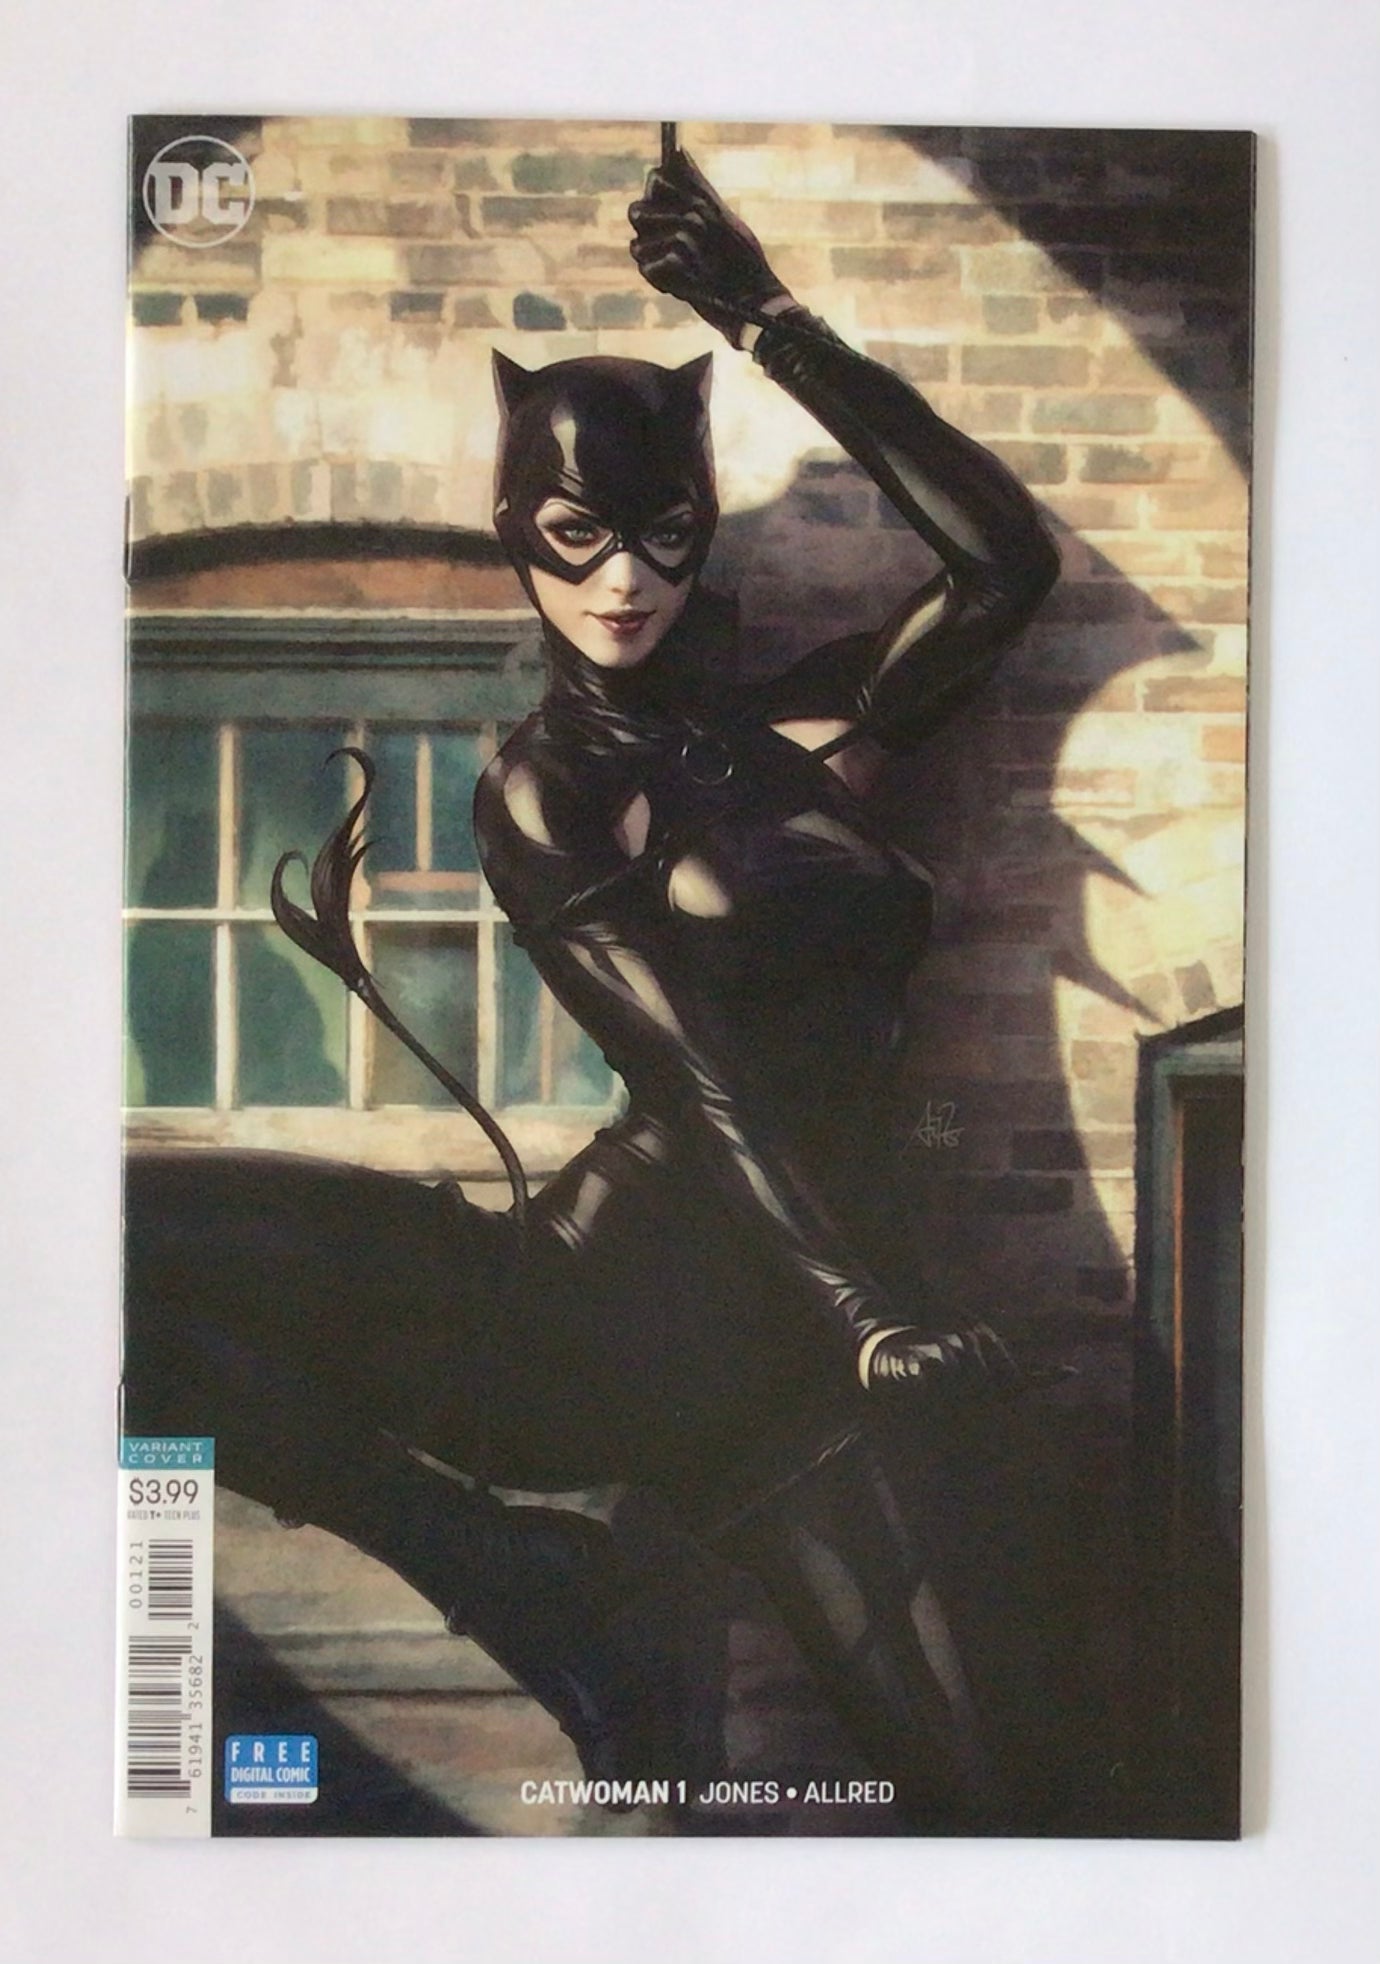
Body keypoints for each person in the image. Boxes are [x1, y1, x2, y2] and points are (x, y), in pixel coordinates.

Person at [123, 147, 1058, 1827]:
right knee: (92, 1244)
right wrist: (869, 1311)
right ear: (521, 537)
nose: (623, 583)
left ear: (696, 533)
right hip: (591, 1317)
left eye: (661, 536)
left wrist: (766, 320)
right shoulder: (544, 790)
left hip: (794, 1377)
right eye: (576, 538)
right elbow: (705, 1076)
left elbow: (1004, 568)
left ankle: (581, 1616)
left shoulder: (804, 726)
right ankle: (507, 1572)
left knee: (986, 1803)